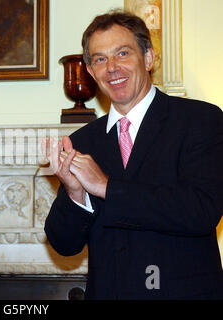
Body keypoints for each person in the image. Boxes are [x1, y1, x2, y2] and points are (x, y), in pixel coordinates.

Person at [43, 10, 223, 299]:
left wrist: (106, 188)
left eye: (122, 53)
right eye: (100, 59)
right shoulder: (82, 141)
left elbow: (201, 211)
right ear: (91, 72)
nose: (112, 67)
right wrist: (76, 194)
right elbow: (63, 244)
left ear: (149, 58)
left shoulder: (200, 120)